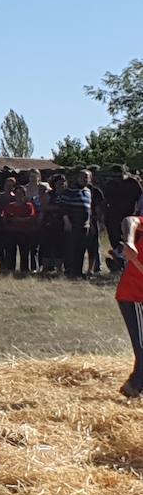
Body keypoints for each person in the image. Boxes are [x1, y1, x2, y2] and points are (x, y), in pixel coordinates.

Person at [115, 202, 143, 397]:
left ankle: (134, 384)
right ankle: (134, 386)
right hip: (134, 295)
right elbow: (130, 220)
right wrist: (130, 241)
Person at [103, 165, 142, 271]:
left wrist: (137, 214)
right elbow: (106, 201)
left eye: (119, 176)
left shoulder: (132, 183)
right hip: (113, 218)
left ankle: (126, 265)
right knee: (116, 242)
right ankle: (118, 263)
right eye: (114, 177)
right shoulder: (110, 185)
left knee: (130, 242)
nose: (117, 179)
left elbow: (140, 199)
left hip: (129, 218)